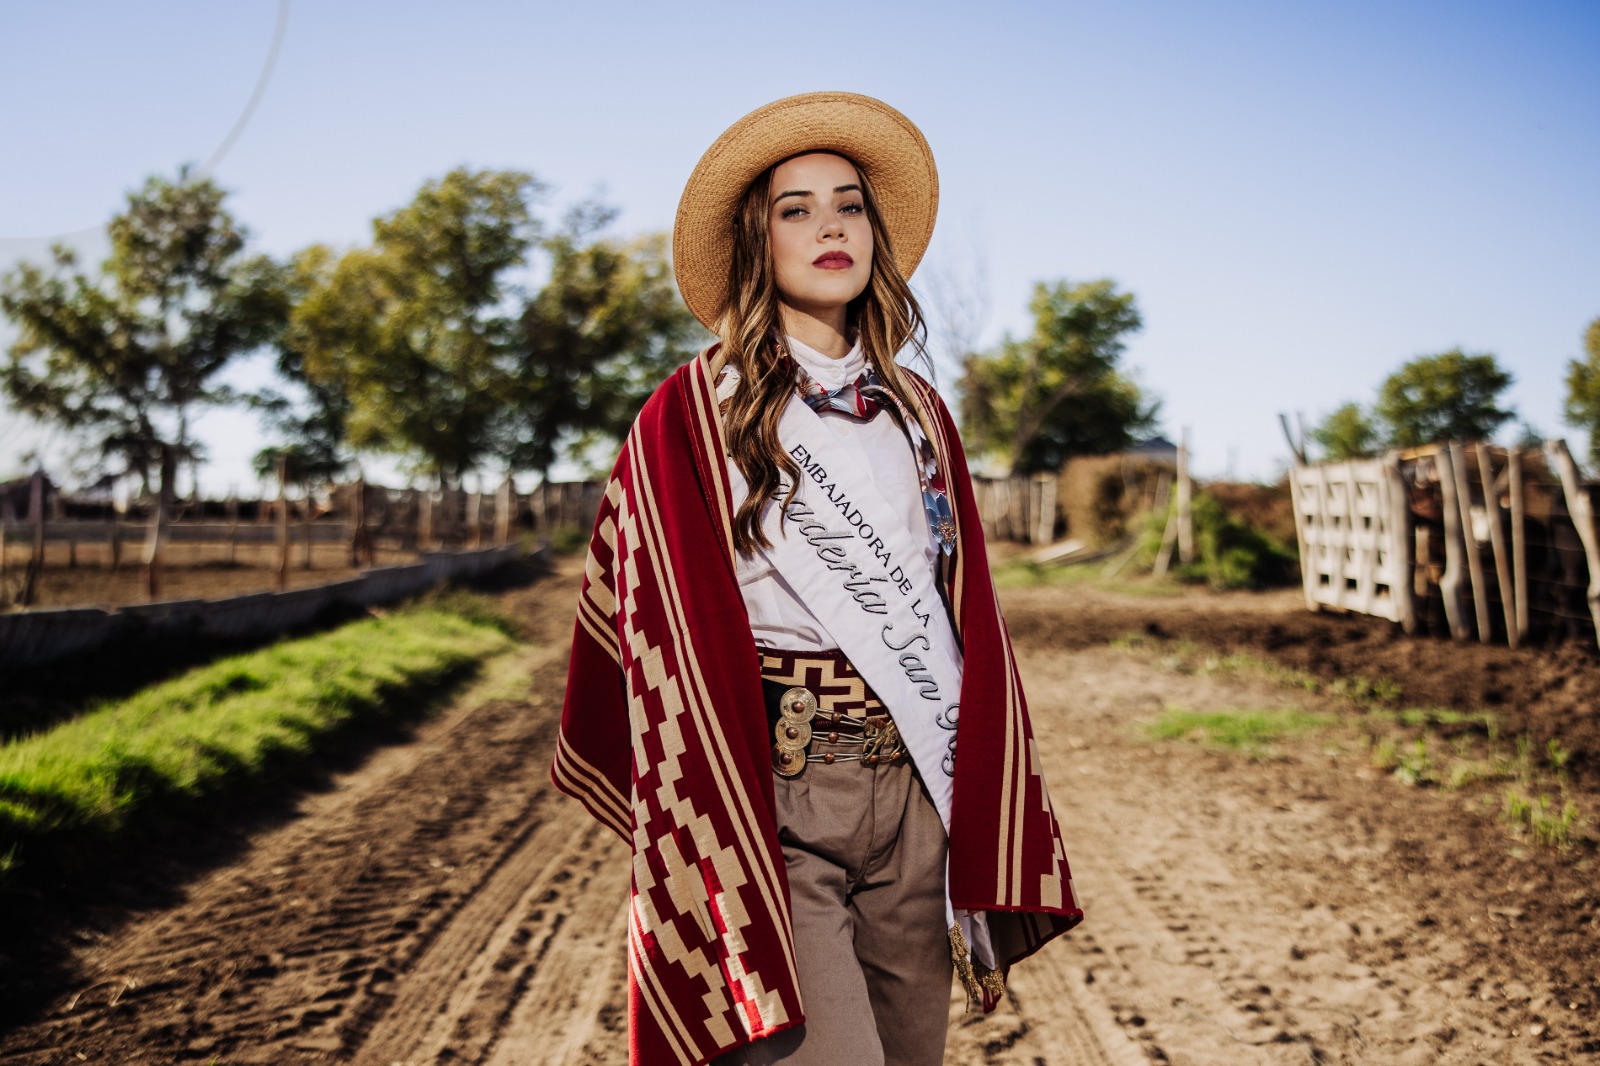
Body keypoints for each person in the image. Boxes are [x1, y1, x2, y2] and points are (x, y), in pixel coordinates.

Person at [552, 91, 1082, 1066]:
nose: (830, 223)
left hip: (916, 788)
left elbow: (962, 615)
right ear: (757, 243)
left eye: (848, 203)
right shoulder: (689, 414)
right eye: (793, 208)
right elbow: (642, 623)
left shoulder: (919, 411)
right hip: (777, 795)